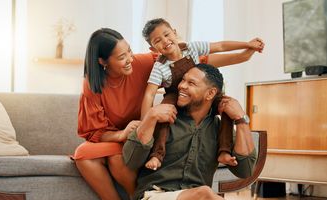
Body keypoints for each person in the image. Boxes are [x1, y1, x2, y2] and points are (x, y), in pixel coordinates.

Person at [73, 28, 260, 200]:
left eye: (129, 51)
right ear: (103, 61)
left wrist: (244, 55)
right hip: (129, 134)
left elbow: (194, 63)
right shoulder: (93, 84)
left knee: (117, 158)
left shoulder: (144, 62)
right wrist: (145, 121)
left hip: (142, 133)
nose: (130, 58)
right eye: (122, 57)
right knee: (85, 153)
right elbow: (95, 130)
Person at [140, 18, 264, 170]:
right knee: (164, 114)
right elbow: (149, 95)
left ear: (174, 32)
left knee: (226, 105)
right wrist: (144, 122)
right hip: (175, 94)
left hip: (201, 89)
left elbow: (220, 46)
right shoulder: (159, 67)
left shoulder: (192, 48)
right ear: (153, 49)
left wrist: (248, 44)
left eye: (166, 35)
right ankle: (157, 155)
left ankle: (224, 151)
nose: (165, 41)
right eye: (157, 41)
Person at [123, 63, 257, 200]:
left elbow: (245, 170)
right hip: (154, 195)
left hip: (194, 197)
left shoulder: (219, 129)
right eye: (183, 80)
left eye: (191, 83)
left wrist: (241, 119)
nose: (182, 86)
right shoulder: (163, 117)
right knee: (204, 193)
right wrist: (150, 117)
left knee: (203, 194)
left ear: (210, 93)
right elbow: (131, 160)